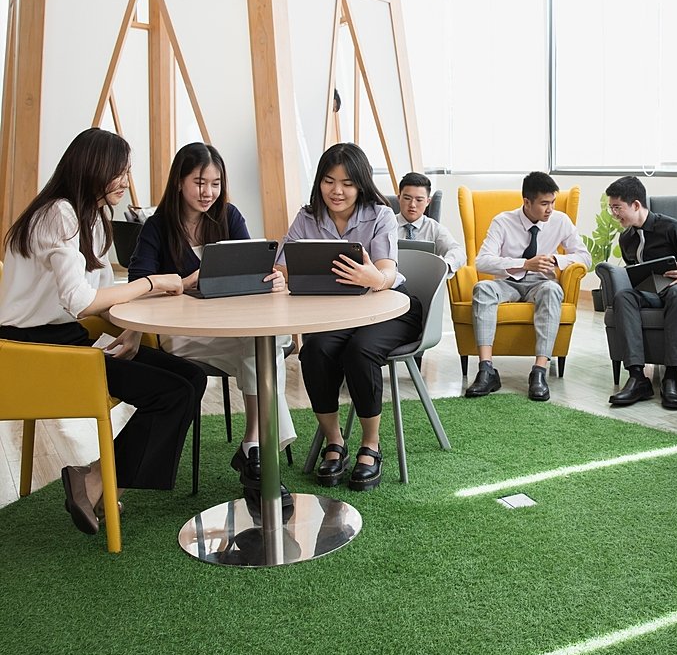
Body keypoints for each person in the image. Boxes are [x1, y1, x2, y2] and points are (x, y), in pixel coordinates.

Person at [0, 128, 206, 537]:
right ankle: (96, 483)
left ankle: (95, 479)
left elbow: (98, 297)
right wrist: (150, 284)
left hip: (64, 340)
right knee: (172, 392)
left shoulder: (90, 218)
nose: (126, 181)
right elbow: (79, 300)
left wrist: (129, 330)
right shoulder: (59, 214)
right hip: (32, 351)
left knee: (191, 377)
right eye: (120, 171)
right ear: (93, 169)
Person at [127, 142, 296, 489]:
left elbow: (254, 268)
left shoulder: (228, 216)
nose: (208, 192)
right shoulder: (157, 227)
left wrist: (272, 276)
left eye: (215, 183)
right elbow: (137, 287)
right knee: (266, 348)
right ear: (179, 181)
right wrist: (184, 282)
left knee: (262, 341)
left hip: (232, 329)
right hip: (183, 335)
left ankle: (253, 447)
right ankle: (259, 454)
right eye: (199, 182)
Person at [276, 142, 423, 491]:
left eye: (347, 183)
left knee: (360, 350)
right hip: (339, 315)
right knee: (314, 350)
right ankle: (334, 441)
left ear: (361, 184)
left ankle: (371, 445)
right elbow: (282, 264)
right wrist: (277, 275)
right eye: (328, 181)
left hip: (389, 310)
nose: (337, 191)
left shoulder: (380, 214)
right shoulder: (307, 217)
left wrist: (376, 278)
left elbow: (387, 271)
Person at [465, 172, 591, 402]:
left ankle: (539, 371)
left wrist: (556, 260)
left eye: (552, 202)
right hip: (508, 283)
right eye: (544, 203)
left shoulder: (560, 221)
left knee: (553, 290)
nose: (550, 209)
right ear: (527, 202)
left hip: (540, 284)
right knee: (482, 288)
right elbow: (482, 261)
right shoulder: (503, 221)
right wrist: (524, 264)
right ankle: (486, 370)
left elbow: (585, 256)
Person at [605, 176, 677, 411]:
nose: (614, 214)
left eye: (617, 208)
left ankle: (671, 378)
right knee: (624, 296)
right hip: (650, 292)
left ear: (635, 205)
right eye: (611, 208)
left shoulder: (672, 228)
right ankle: (637, 378)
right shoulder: (626, 238)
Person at [396, 172, 465, 278]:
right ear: (399, 198)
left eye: (419, 200)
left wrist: (443, 265)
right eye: (407, 198)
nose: (412, 205)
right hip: (391, 283)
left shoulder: (434, 228)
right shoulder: (386, 225)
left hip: (426, 282)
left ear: (428, 201)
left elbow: (458, 252)